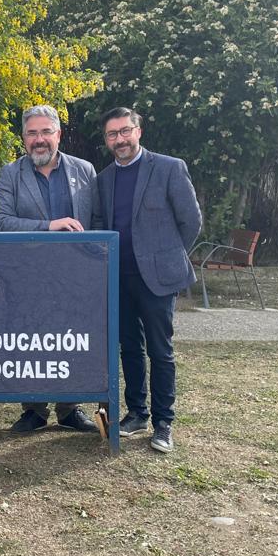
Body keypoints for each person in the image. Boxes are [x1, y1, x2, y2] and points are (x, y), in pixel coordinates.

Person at [96, 107, 202, 453]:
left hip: (158, 279)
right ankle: (137, 413)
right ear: (107, 139)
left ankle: (163, 423)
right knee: (129, 348)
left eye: (125, 131)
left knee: (161, 350)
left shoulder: (169, 168)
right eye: (113, 134)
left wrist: (167, 256)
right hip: (120, 277)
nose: (120, 139)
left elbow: (191, 221)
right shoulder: (104, 179)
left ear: (138, 131)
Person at [0, 104, 104, 433]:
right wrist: (49, 225)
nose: (39, 139)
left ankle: (69, 408)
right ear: (23, 138)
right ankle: (34, 409)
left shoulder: (85, 170)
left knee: (72, 340)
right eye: (32, 133)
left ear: (58, 134)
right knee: (30, 341)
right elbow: (2, 222)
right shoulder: (11, 173)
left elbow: (97, 221)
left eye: (45, 132)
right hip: (29, 274)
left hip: (75, 274)